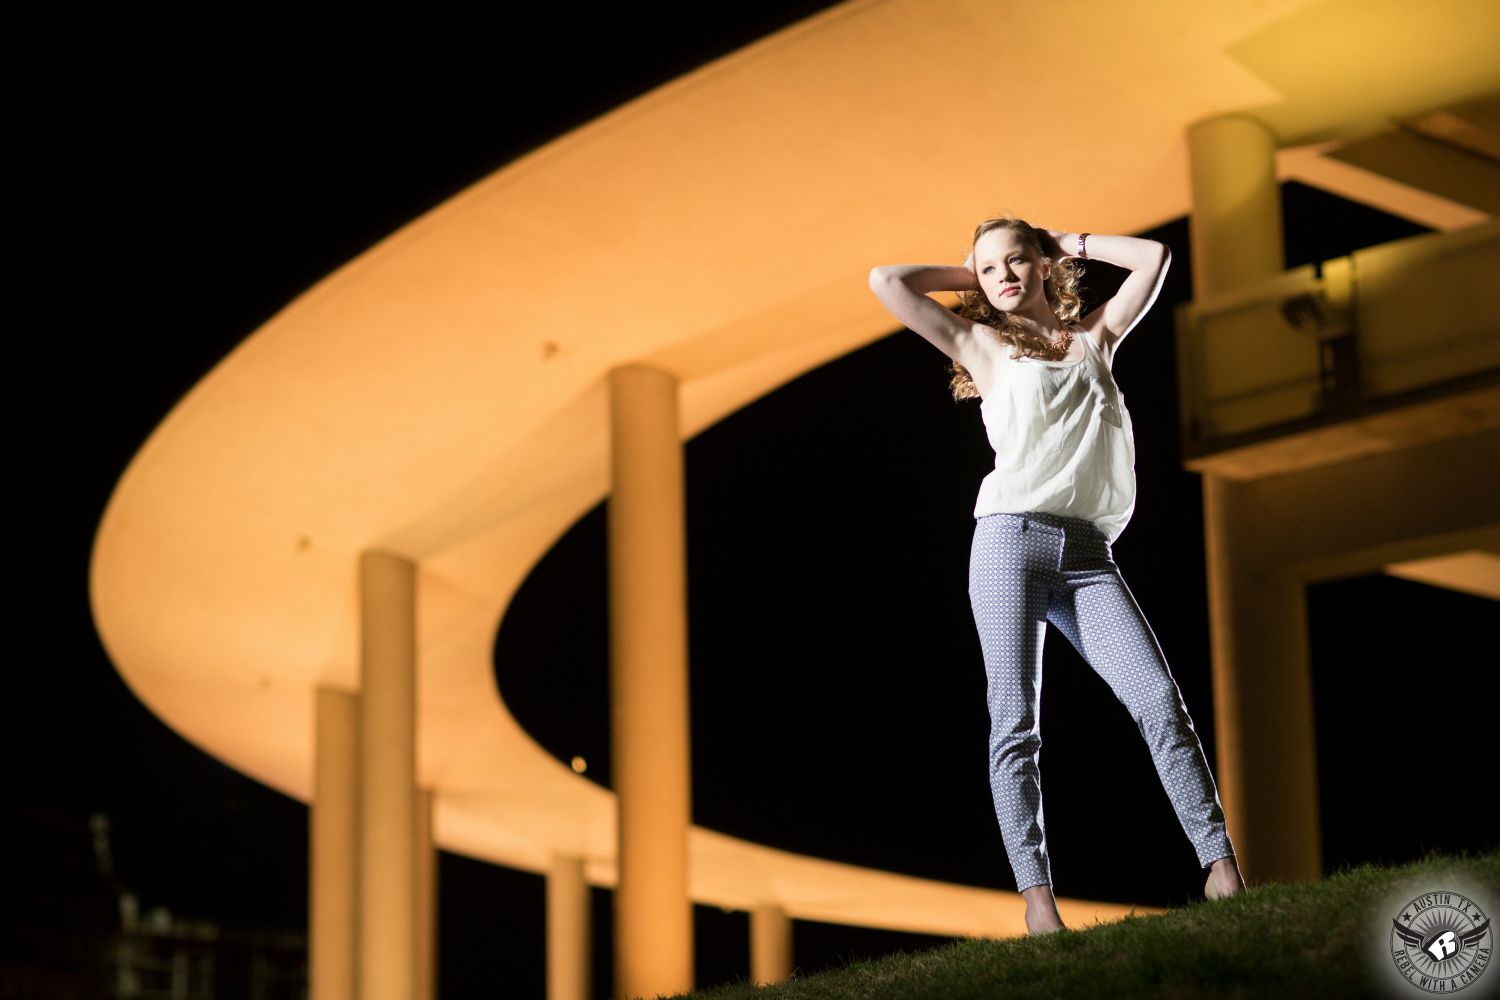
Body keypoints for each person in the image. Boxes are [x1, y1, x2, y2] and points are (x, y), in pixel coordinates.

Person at [867, 216, 1246, 936]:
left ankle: (1221, 869)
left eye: (1017, 261)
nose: (1004, 275)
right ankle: (1040, 906)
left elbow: (1155, 257)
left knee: (1161, 703)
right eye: (990, 269)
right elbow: (886, 282)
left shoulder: (1096, 338)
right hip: (1008, 542)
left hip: (1089, 557)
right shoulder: (980, 344)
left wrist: (1066, 244)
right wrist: (973, 276)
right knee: (1016, 723)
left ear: (1043, 265)